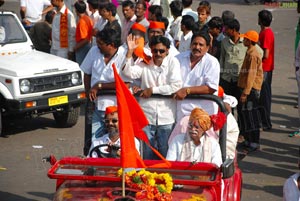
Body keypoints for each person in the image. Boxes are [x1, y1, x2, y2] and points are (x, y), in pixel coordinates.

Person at [123, 35, 182, 159]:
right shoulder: (145, 62)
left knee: (165, 153)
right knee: (146, 152)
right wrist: (129, 52)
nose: (158, 54)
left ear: (167, 51)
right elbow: (127, 72)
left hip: (166, 116)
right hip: (146, 115)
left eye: (161, 51)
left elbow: (176, 86)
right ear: (151, 50)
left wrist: (153, 90)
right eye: (155, 51)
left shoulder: (173, 62)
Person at [80, 28, 128, 145]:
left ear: (111, 45)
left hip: (116, 109)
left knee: (116, 142)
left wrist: (99, 86)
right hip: (96, 106)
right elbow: (86, 72)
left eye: (101, 44)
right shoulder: (94, 51)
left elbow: (125, 83)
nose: (98, 46)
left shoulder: (124, 55)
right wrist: (88, 92)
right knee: (95, 141)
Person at [174, 31, 220, 121]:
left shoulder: (212, 62)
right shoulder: (178, 58)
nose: (197, 47)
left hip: (202, 112)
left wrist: (187, 90)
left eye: (201, 45)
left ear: (207, 48)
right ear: (190, 45)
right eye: (194, 44)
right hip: (180, 110)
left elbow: (211, 88)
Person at [237, 30, 263, 153]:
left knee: (251, 116)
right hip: (248, 89)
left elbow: (251, 76)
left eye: (245, 39)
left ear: (250, 41)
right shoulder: (250, 51)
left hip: (251, 90)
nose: (243, 40)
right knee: (247, 116)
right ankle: (248, 141)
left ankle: (254, 143)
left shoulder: (253, 54)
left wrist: (245, 93)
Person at [219, 19, 247, 100]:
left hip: (239, 80)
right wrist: (221, 74)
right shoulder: (224, 41)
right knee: (227, 104)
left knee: (240, 107)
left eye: (227, 29)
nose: (225, 31)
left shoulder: (246, 42)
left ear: (234, 30)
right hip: (226, 79)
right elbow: (222, 58)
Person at [258, 9, 274, 131]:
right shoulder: (264, 32)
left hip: (265, 68)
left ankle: (266, 122)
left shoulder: (267, 34)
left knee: (264, 96)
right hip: (265, 68)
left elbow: (266, 53)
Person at [74, 0, 93, 65]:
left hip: (82, 47)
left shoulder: (82, 21)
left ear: (76, 10)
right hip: (87, 46)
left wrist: (76, 48)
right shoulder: (88, 18)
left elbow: (85, 39)